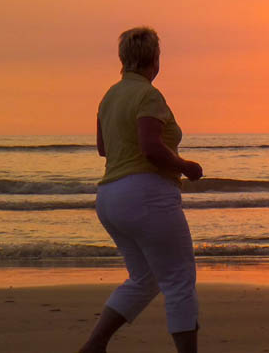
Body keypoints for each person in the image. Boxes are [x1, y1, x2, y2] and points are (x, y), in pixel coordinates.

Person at [79, 27, 203, 353]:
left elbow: (103, 148)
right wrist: (186, 166)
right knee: (179, 279)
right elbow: (150, 148)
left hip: (109, 197)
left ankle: (95, 345)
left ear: (123, 59)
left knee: (145, 277)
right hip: (146, 194)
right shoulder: (148, 95)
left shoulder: (109, 96)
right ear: (155, 60)